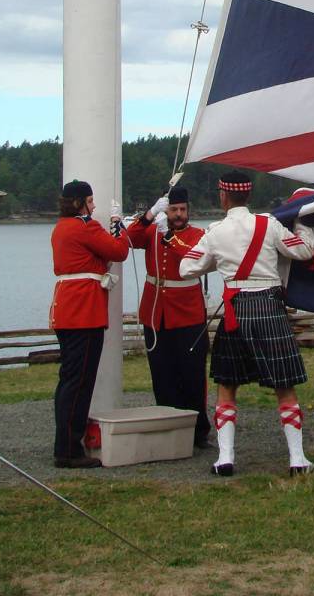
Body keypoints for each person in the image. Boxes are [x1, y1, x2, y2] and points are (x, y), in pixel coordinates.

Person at [179, 170, 314, 477]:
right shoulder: (269, 224)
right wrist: (306, 223)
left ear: (223, 196)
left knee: (227, 384)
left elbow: (187, 267)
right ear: (248, 195)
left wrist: (218, 261)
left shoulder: (213, 232)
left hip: (235, 310)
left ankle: (225, 459)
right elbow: (304, 251)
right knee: (284, 384)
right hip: (268, 306)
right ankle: (297, 460)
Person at [50, 179, 130, 469]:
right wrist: (118, 225)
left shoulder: (61, 228)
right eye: (91, 201)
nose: (93, 206)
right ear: (80, 203)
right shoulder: (84, 227)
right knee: (80, 382)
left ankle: (65, 442)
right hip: (84, 311)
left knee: (69, 380)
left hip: (66, 309)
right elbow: (119, 251)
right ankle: (69, 449)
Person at [124, 186, 211, 447]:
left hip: (188, 315)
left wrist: (167, 237)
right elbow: (129, 239)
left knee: (192, 375)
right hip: (156, 313)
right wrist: (150, 215)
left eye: (182, 209)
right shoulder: (152, 230)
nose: (178, 215)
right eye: (173, 209)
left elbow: (191, 258)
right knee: (162, 374)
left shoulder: (199, 234)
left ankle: (198, 431)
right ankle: (168, 425)